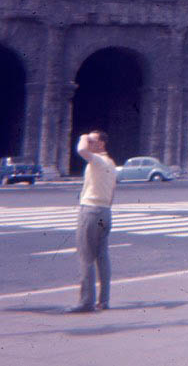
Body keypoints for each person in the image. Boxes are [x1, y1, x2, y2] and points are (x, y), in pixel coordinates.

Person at [66, 130, 117, 313]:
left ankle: (86, 302)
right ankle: (104, 300)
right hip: (104, 212)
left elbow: (81, 150)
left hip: (91, 212)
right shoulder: (111, 163)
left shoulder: (98, 161)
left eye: (92, 141)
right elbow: (112, 191)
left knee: (86, 256)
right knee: (102, 255)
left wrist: (83, 137)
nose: (89, 143)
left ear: (101, 144)